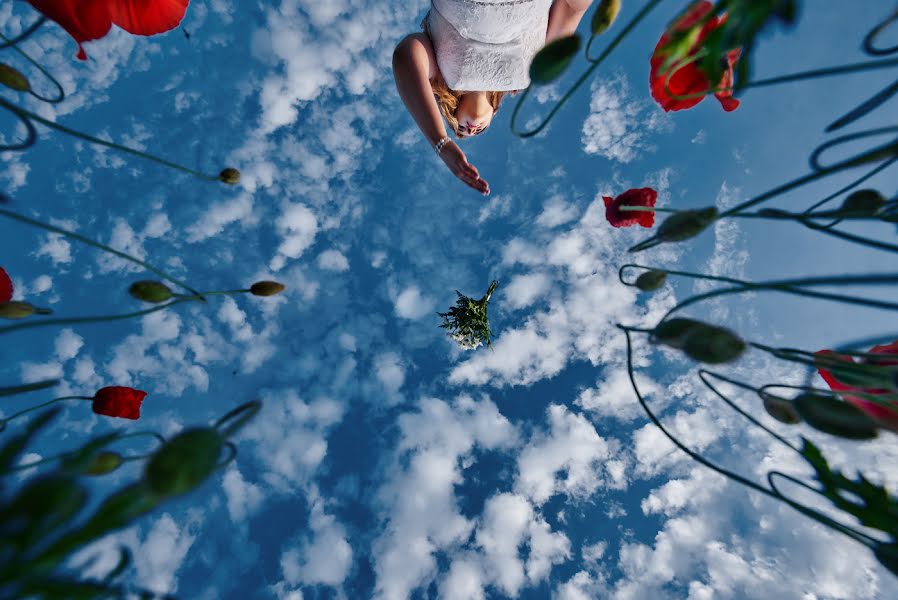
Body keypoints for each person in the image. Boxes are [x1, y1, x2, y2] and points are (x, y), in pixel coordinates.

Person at [393, 0, 594, 195]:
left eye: (459, 127)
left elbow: (406, 56)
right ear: (493, 112)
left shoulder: (441, 74)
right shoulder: (532, 71)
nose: (470, 130)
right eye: (480, 130)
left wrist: (441, 143)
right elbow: (571, 7)